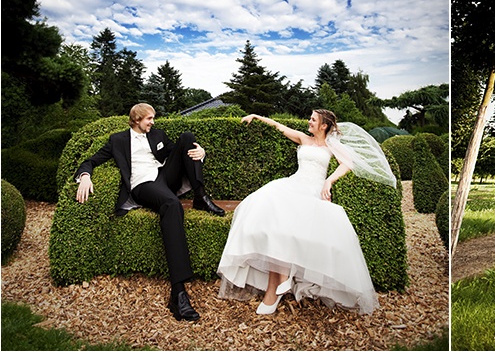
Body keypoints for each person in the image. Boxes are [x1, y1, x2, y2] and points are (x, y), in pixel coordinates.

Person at [216, 109, 396, 315]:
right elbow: (278, 126)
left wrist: (329, 181)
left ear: (324, 125)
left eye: (313, 119)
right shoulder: (303, 138)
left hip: (312, 189)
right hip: (294, 183)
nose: (308, 122)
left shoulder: (331, 146)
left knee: (287, 221)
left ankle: (274, 289)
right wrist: (256, 117)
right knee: (269, 208)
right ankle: (279, 282)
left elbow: (348, 163)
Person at [74, 103, 225, 322]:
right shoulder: (117, 140)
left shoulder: (158, 135)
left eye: (153, 118)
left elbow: (179, 153)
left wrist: (200, 153)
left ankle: (200, 196)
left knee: (187, 137)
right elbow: (90, 160)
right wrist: (85, 176)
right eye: (149, 119)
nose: (153, 122)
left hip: (163, 176)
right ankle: (178, 292)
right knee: (172, 205)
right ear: (136, 120)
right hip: (142, 184)